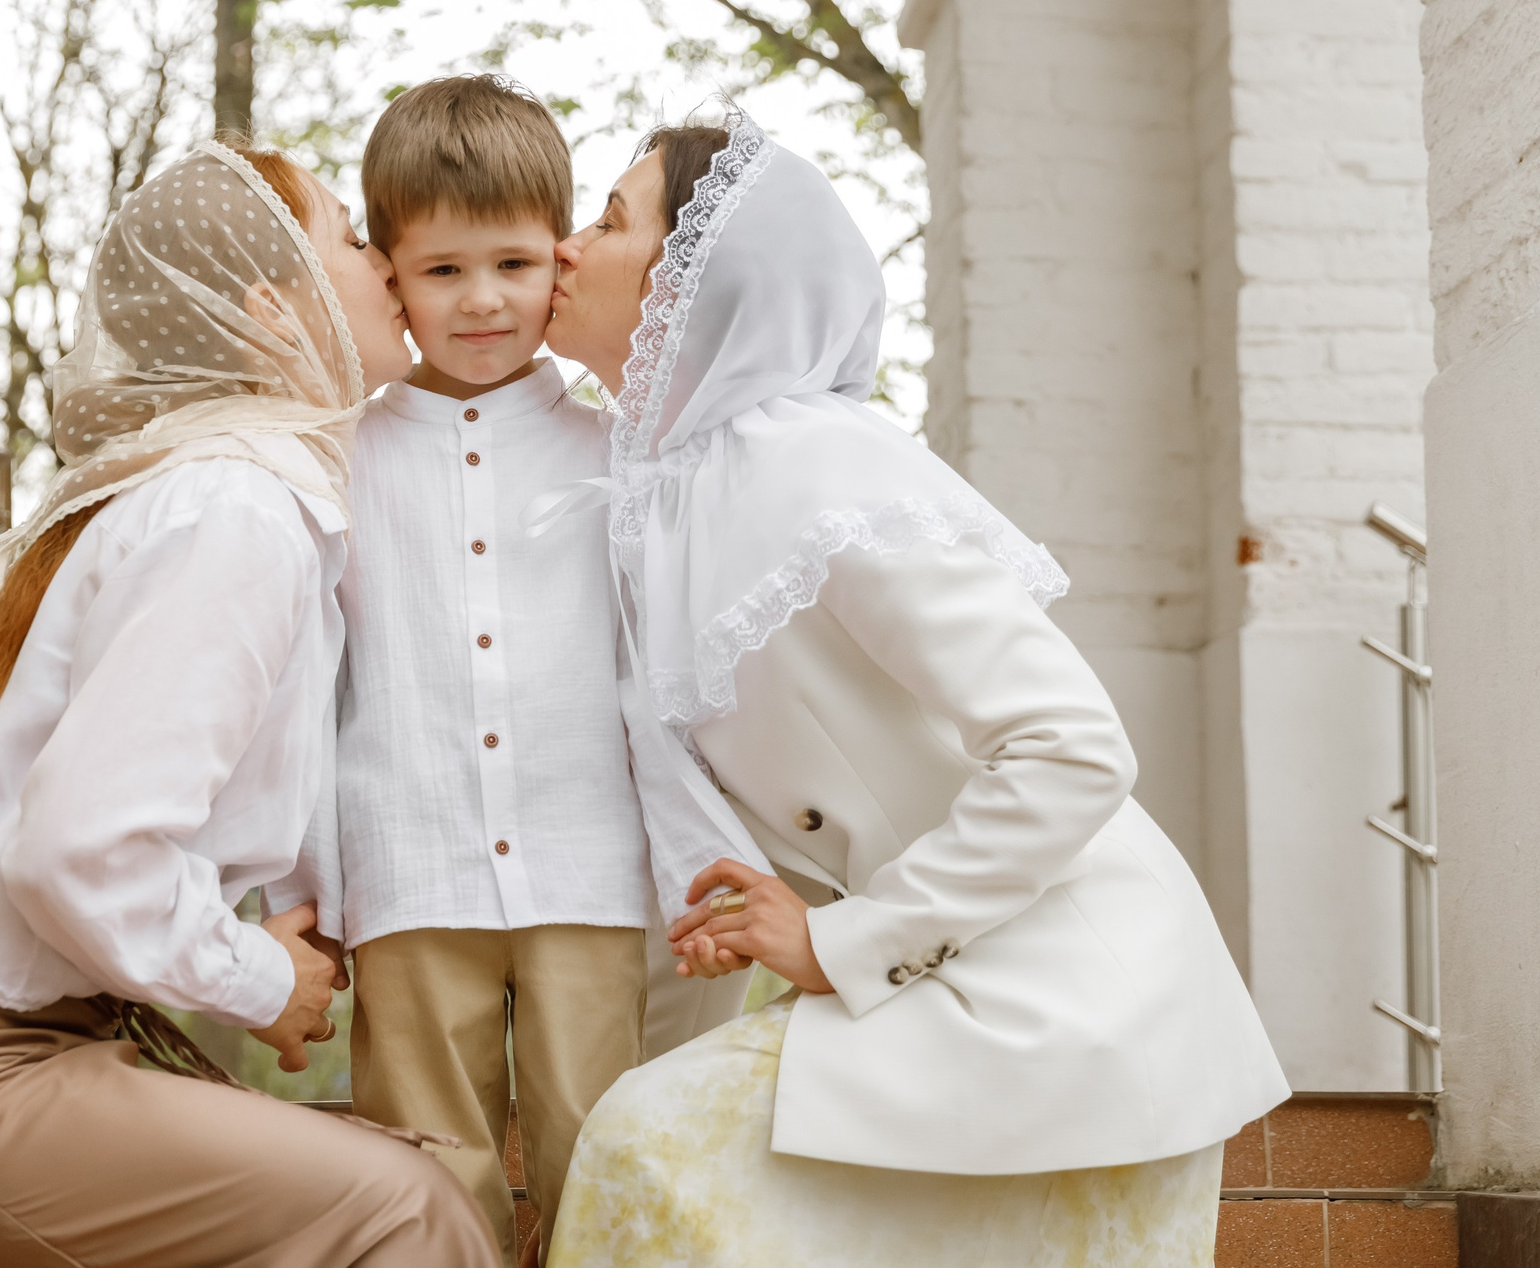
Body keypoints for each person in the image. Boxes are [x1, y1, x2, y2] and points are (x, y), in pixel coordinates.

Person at [539, 115, 1290, 1266]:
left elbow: (1072, 748)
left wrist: (849, 941)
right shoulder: (664, 504)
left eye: (607, 221)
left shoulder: (811, 465)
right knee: (645, 1138)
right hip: (947, 988)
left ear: (697, 283)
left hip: (1076, 996)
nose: (563, 247)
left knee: (645, 1145)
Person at [0, 141, 497, 1268]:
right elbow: (79, 853)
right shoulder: (236, 510)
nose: (391, 268)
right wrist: (261, 979)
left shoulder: (226, 492)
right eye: (353, 241)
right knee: (402, 1208)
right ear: (271, 310)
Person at [265, 77, 767, 1265]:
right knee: (426, 1170)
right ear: (389, 272)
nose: (482, 300)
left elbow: (654, 683)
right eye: (441, 272)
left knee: (601, 1152)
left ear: (557, 260)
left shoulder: (620, 459)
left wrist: (699, 858)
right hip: (407, 868)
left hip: (585, 870)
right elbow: (309, 688)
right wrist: (305, 890)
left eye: (513, 264)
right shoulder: (337, 462)